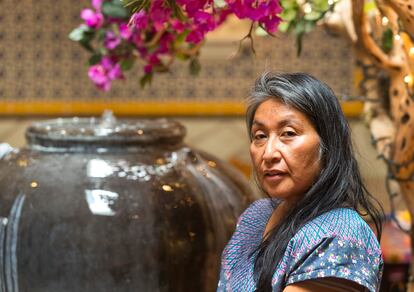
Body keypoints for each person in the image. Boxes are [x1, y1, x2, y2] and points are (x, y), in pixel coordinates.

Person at [217, 72, 384, 292]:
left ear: (327, 145)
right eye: (260, 136)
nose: (268, 153)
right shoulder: (255, 216)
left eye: (288, 133)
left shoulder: (338, 234)